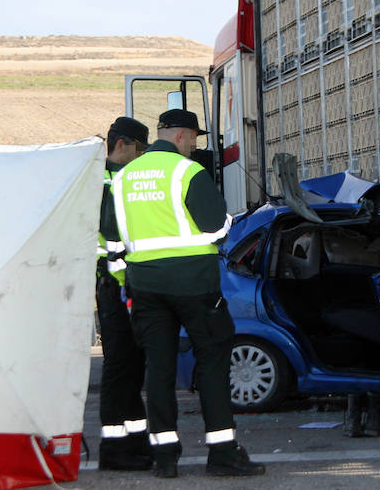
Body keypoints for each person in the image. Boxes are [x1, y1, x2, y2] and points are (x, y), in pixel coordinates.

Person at [109, 109, 265, 478]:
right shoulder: (187, 171)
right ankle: (223, 453)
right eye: (194, 138)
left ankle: (164, 457)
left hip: (146, 286)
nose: (195, 145)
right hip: (195, 285)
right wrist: (225, 222)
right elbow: (216, 229)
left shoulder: (124, 177)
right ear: (180, 136)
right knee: (212, 362)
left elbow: (114, 239)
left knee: (159, 369)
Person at [96, 116, 152, 471]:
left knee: (133, 363)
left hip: (127, 281)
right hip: (111, 282)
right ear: (123, 145)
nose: (143, 155)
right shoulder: (104, 180)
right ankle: (113, 448)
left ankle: (135, 442)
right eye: (140, 148)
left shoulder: (120, 178)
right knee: (120, 364)